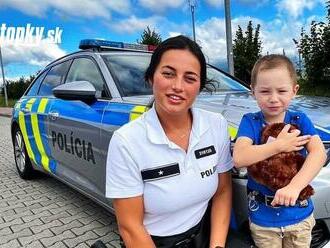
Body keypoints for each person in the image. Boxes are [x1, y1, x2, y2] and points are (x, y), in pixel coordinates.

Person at [105, 35, 233, 248]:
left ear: (200, 86)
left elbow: (223, 191)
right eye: (168, 74)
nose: (178, 86)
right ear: (151, 78)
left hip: (204, 236)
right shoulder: (126, 141)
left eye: (190, 78)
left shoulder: (216, 125)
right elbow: (130, 226)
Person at [233, 54, 327, 248]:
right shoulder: (250, 121)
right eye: (265, 91)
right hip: (263, 220)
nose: (274, 99)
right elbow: (240, 157)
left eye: (282, 91)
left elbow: (319, 153)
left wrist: (295, 187)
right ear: (253, 91)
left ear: (294, 91)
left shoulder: (299, 120)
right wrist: (278, 145)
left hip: (299, 216)